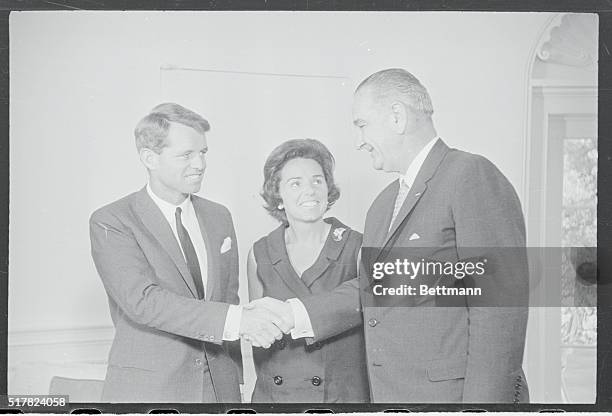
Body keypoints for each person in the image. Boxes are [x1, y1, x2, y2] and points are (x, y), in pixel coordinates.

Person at [254, 69, 530, 403]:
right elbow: (370, 288)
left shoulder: (469, 175)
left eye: (362, 124)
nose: (359, 140)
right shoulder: (383, 205)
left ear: (396, 117)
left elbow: (500, 313)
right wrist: (293, 314)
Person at [89, 103, 288, 402]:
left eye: (203, 153)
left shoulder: (219, 216)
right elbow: (144, 302)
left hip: (220, 392)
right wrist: (240, 320)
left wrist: (234, 378)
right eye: (186, 155)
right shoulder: (112, 220)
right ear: (149, 158)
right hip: (150, 394)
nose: (200, 164)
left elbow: (227, 297)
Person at [246, 139, 369, 402]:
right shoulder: (260, 253)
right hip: (276, 399)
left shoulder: (357, 246)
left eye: (317, 181)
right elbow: (259, 334)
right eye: (295, 183)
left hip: (341, 399)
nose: (310, 191)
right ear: (277, 194)